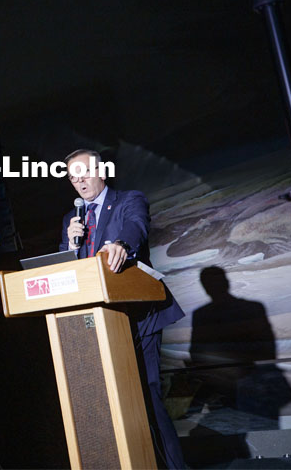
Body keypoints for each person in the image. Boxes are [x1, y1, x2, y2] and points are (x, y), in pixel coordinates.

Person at [58, 148, 186, 469]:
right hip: (98, 324)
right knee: (113, 403)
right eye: (73, 177)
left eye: (84, 173)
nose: (79, 181)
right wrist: (70, 247)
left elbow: (136, 228)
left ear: (101, 172)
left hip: (140, 317)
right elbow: (67, 269)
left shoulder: (129, 199)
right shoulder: (71, 220)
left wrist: (121, 245)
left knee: (149, 396)